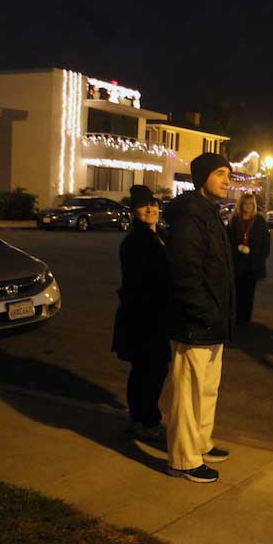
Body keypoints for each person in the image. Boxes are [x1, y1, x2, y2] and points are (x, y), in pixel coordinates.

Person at [163, 153, 235, 483]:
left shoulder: (209, 213)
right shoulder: (191, 216)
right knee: (188, 396)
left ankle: (201, 443)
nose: (226, 179)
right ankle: (183, 459)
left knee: (207, 390)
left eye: (228, 174)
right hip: (194, 323)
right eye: (220, 173)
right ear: (202, 177)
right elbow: (185, 273)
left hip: (212, 322)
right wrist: (204, 313)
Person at [112, 185, 171, 443]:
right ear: (135, 211)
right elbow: (147, 280)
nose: (151, 209)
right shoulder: (137, 241)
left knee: (144, 369)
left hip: (149, 312)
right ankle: (148, 421)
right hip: (144, 314)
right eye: (144, 206)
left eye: (154, 204)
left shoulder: (159, 236)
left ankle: (138, 418)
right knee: (152, 369)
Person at [227, 193, 270, 325]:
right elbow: (227, 241)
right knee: (236, 293)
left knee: (249, 294)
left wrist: (258, 257)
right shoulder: (234, 221)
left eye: (250, 204)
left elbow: (265, 244)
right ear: (240, 205)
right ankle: (235, 318)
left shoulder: (259, 222)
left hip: (252, 264)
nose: (248, 207)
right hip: (236, 263)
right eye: (245, 204)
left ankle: (245, 320)